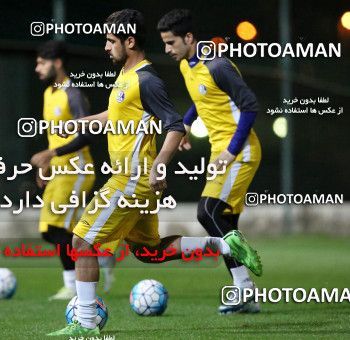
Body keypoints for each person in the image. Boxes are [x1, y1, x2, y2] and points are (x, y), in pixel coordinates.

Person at [48, 9, 262, 336]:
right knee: (150, 252)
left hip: (131, 180)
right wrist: (80, 123)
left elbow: (174, 126)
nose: (106, 47)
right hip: (133, 181)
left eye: (110, 41)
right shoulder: (126, 76)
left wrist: (160, 163)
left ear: (129, 41)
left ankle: (85, 323)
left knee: (81, 240)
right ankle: (225, 245)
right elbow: (117, 115)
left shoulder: (146, 79)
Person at [157, 9, 262, 314]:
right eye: (164, 43)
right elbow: (202, 99)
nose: (167, 49)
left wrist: (230, 151)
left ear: (189, 38)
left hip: (239, 151)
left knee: (207, 212)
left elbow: (250, 106)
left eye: (171, 42)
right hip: (221, 152)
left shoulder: (218, 66)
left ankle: (245, 282)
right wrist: (187, 123)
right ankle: (245, 294)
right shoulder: (187, 66)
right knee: (225, 222)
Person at [31, 40, 114, 300]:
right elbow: (54, 139)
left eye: (42, 63)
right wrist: (47, 164)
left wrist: (52, 154)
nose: (37, 68)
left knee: (59, 230)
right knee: (50, 231)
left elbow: (89, 134)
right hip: (58, 171)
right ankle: (101, 256)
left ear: (57, 63)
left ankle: (72, 286)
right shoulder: (48, 94)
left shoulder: (73, 93)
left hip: (76, 170)